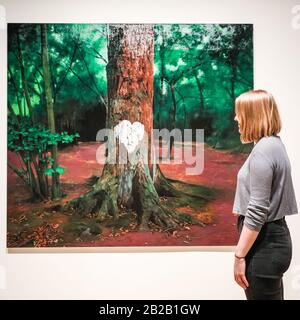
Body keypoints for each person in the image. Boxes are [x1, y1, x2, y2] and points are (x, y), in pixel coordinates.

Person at [232, 89, 298, 300]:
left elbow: (258, 210)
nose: (236, 118)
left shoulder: (263, 151)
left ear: (253, 115)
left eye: (239, 113)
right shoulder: (274, 145)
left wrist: (239, 256)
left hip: (264, 245)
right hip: (274, 240)